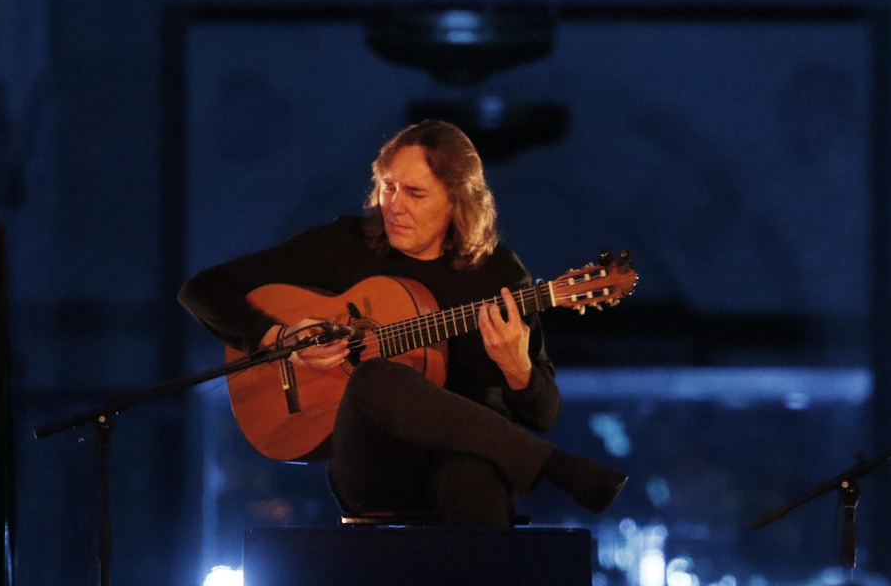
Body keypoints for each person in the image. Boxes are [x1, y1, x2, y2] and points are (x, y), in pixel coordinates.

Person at [178, 120, 627, 527]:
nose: (394, 206)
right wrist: (278, 336)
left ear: (457, 200)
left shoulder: (499, 276)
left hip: (463, 462)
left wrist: (518, 370)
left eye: (415, 193)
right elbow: (201, 290)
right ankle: (554, 468)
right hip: (371, 461)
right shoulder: (345, 246)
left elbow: (545, 412)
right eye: (387, 187)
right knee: (375, 377)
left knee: (477, 483)